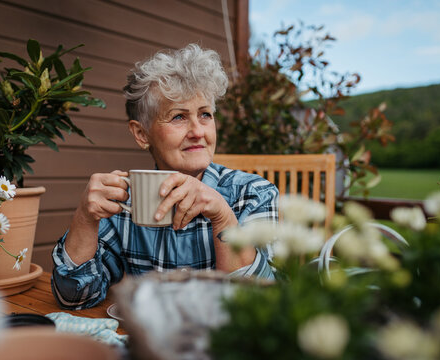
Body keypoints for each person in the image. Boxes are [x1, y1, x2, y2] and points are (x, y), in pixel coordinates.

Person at [51, 44, 279, 309]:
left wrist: (222, 216)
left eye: (205, 114)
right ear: (141, 134)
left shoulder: (253, 194)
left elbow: (262, 306)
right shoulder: (123, 201)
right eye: (179, 117)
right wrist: (84, 218)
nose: (197, 131)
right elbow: (75, 297)